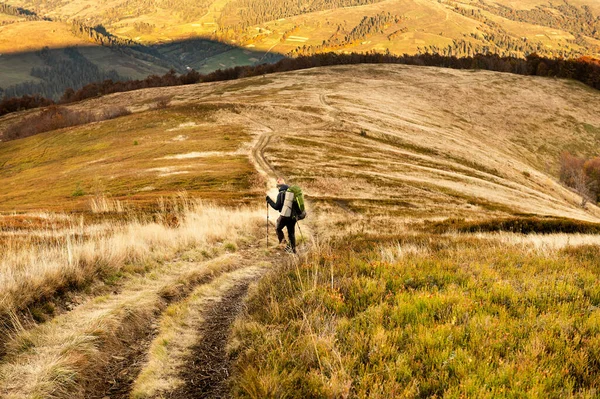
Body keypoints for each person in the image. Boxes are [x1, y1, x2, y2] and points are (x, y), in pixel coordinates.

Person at [266, 177, 299, 253]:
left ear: (279, 185)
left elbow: (276, 207)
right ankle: (293, 250)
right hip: (293, 216)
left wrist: (269, 200)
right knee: (291, 233)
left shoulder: (281, 194)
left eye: (278, 182)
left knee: (278, 228)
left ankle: (284, 245)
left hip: (285, 216)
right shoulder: (292, 192)